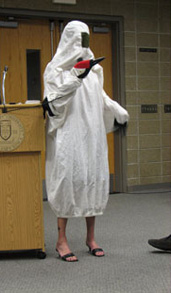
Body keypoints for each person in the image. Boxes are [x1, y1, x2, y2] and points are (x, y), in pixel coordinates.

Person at [43, 20, 129, 262]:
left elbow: (100, 98)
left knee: (91, 179)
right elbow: (54, 104)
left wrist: (117, 110)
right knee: (67, 181)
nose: (83, 45)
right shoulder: (55, 70)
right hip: (69, 134)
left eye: (86, 39)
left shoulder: (94, 72)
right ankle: (61, 240)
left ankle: (90, 238)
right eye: (79, 39)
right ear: (69, 40)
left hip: (91, 134)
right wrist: (76, 77)